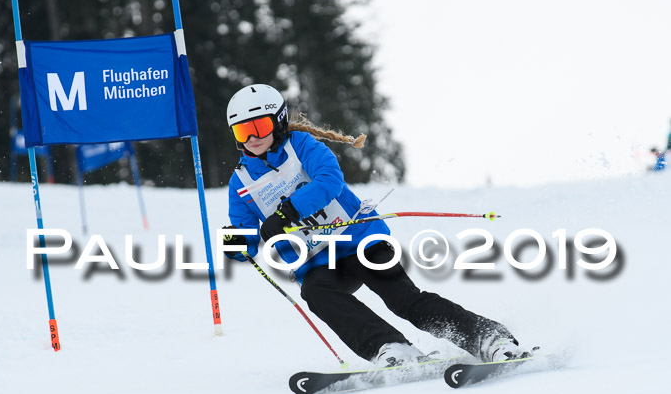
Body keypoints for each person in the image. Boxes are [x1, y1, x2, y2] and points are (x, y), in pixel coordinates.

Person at [221, 83, 532, 367]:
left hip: (358, 240)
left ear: (279, 121)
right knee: (316, 292)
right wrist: (236, 245)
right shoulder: (241, 183)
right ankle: (391, 348)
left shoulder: (302, 146)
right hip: (318, 261)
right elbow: (247, 235)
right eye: (241, 132)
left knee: (403, 300)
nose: (252, 138)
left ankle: (490, 339)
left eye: (258, 127)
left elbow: (329, 181)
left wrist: (287, 213)